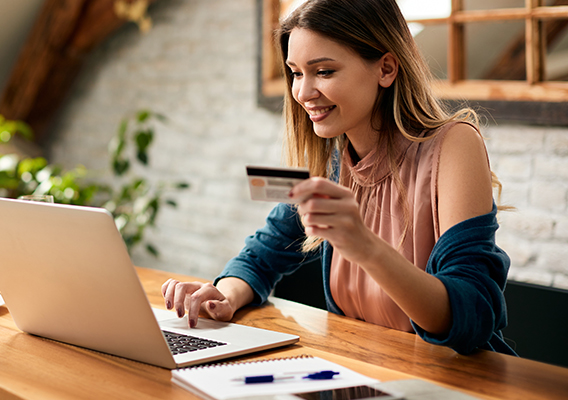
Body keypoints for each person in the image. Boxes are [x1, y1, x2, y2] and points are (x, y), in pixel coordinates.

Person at [161, 0, 516, 355]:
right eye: (296, 73)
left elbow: (474, 315)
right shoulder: (333, 159)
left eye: (324, 71)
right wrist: (224, 295)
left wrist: (364, 245)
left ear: (386, 69)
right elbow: (263, 254)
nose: (302, 92)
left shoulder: (453, 146)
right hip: (368, 371)